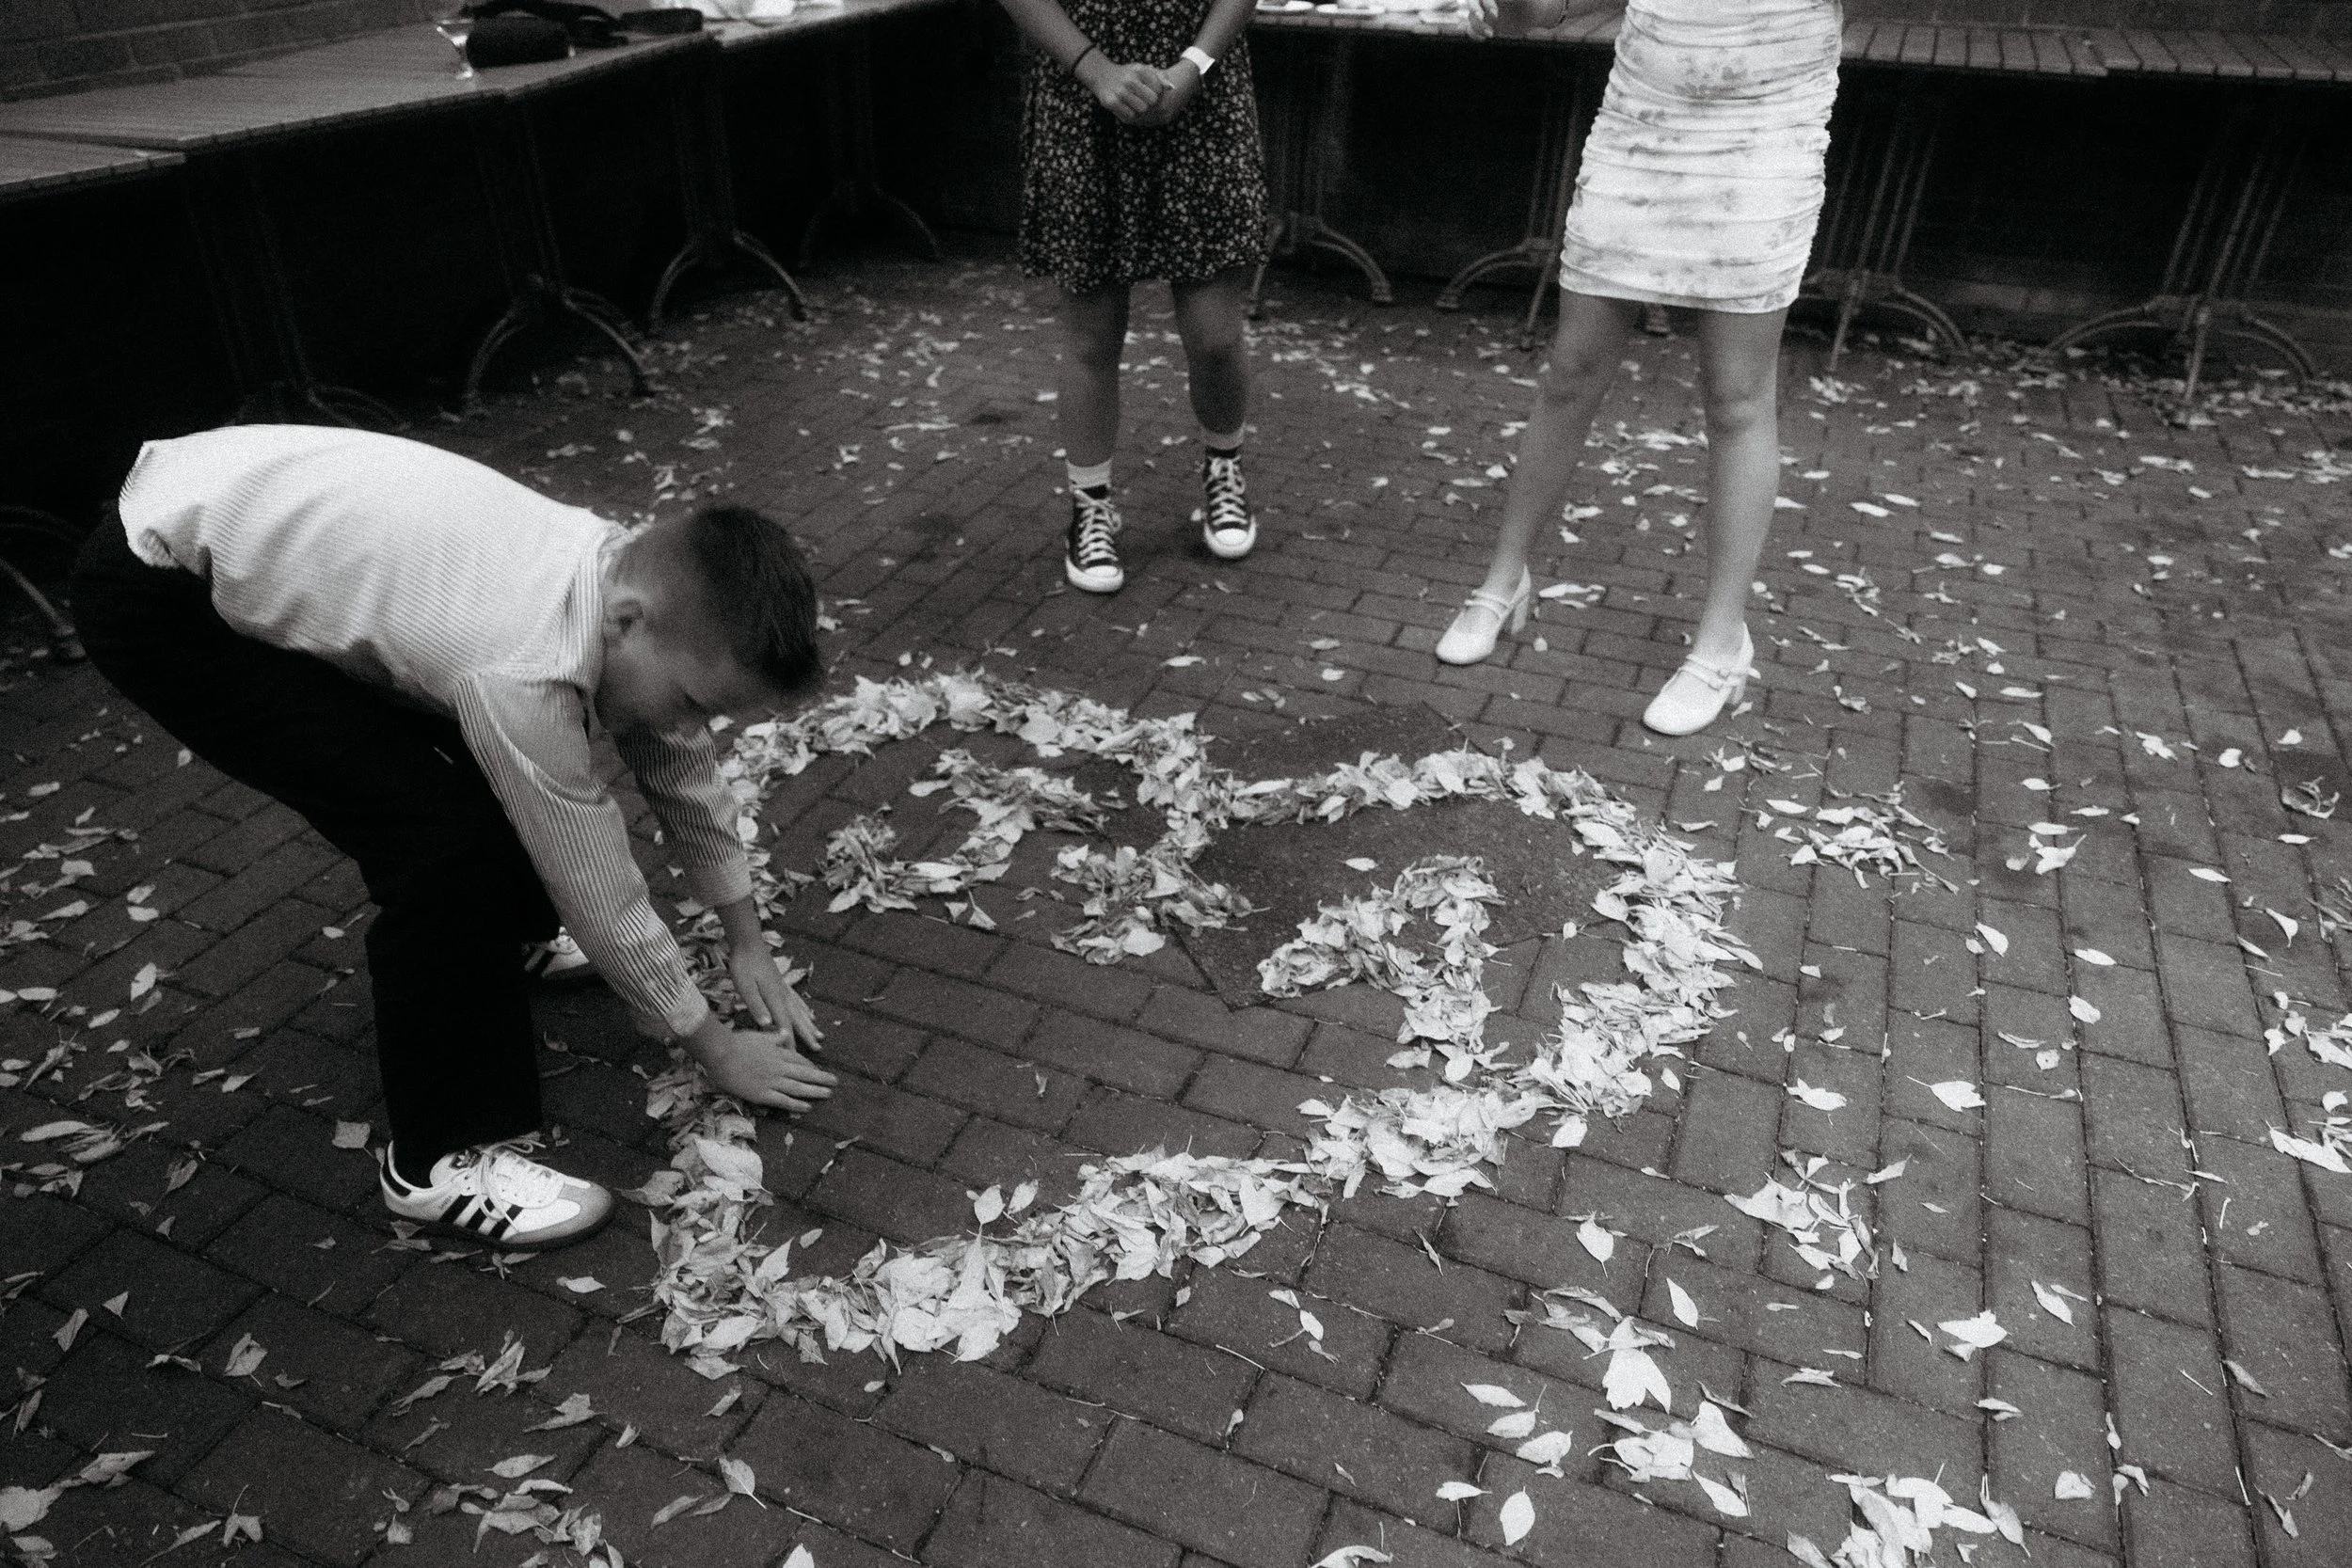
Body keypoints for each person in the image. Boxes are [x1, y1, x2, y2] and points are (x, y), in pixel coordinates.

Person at [71, 426, 837, 1251]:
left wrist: (745, 942)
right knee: (441, 848)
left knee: (479, 780)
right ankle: (436, 1161)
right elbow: (598, 885)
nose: (690, 725)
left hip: (218, 509)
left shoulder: (612, 578)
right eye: (691, 700)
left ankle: (507, 942)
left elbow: (680, 766)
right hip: (160, 593)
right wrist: (713, 1045)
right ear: (627, 620)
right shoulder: (523, 666)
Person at [1438, 0, 1841, 736]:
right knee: (1572, 371)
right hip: (1643, 124)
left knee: (1736, 399)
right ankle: (1505, 578)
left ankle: (1723, 640)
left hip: (1765, 133)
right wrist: (1517, 7)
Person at [997, 0, 1268, 594]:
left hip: (1202, 93)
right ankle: (1090, 507)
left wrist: (1194, 64)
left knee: (1216, 337)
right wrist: (1096, 70)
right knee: (1091, 339)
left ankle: (1225, 466)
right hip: (1084, 95)